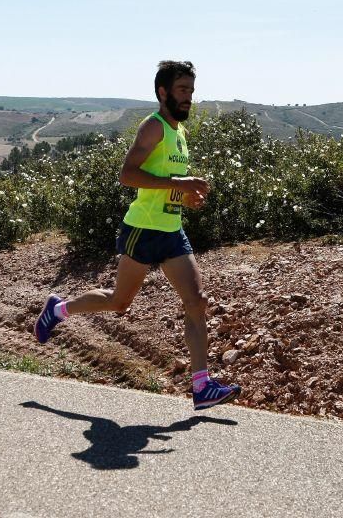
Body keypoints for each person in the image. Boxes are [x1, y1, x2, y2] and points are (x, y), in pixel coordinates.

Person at [34, 60, 241, 410]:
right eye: (182, 90)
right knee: (119, 302)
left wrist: (185, 197)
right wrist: (179, 183)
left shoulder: (179, 133)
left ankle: (201, 386)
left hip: (172, 231)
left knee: (197, 301)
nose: (189, 97)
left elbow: (163, 186)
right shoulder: (153, 127)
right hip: (143, 230)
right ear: (163, 92)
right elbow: (128, 175)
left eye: (191, 90)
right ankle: (59, 309)